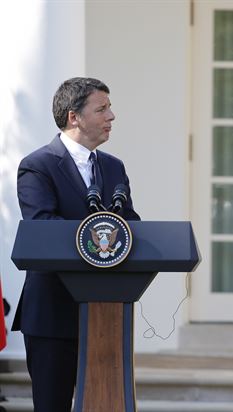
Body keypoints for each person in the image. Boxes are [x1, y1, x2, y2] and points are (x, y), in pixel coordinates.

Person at [11, 77, 140, 411]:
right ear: (74, 117)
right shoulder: (37, 166)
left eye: (109, 108)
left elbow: (130, 224)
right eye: (102, 108)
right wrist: (98, 237)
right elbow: (42, 227)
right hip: (53, 312)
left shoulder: (113, 167)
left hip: (106, 314)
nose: (112, 116)